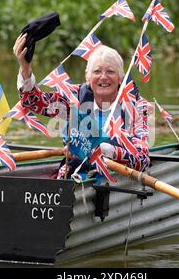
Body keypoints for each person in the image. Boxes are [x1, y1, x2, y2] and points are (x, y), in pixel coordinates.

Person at [13, 33, 150, 179]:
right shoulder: (75, 97)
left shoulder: (138, 107)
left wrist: (106, 150)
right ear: (88, 77)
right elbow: (34, 102)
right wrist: (25, 68)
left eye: (110, 71)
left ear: (120, 77)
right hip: (72, 173)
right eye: (97, 71)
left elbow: (142, 160)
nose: (103, 77)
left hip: (113, 176)